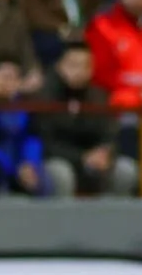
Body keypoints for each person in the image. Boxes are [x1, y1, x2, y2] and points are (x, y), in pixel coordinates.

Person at [43, 42, 136, 197]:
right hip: (59, 159)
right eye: (73, 65)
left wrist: (105, 153)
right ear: (59, 66)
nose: (79, 71)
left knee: (125, 170)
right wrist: (82, 157)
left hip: (94, 161)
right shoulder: (44, 97)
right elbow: (46, 143)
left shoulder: (99, 97)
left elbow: (110, 135)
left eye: (85, 66)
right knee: (60, 173)